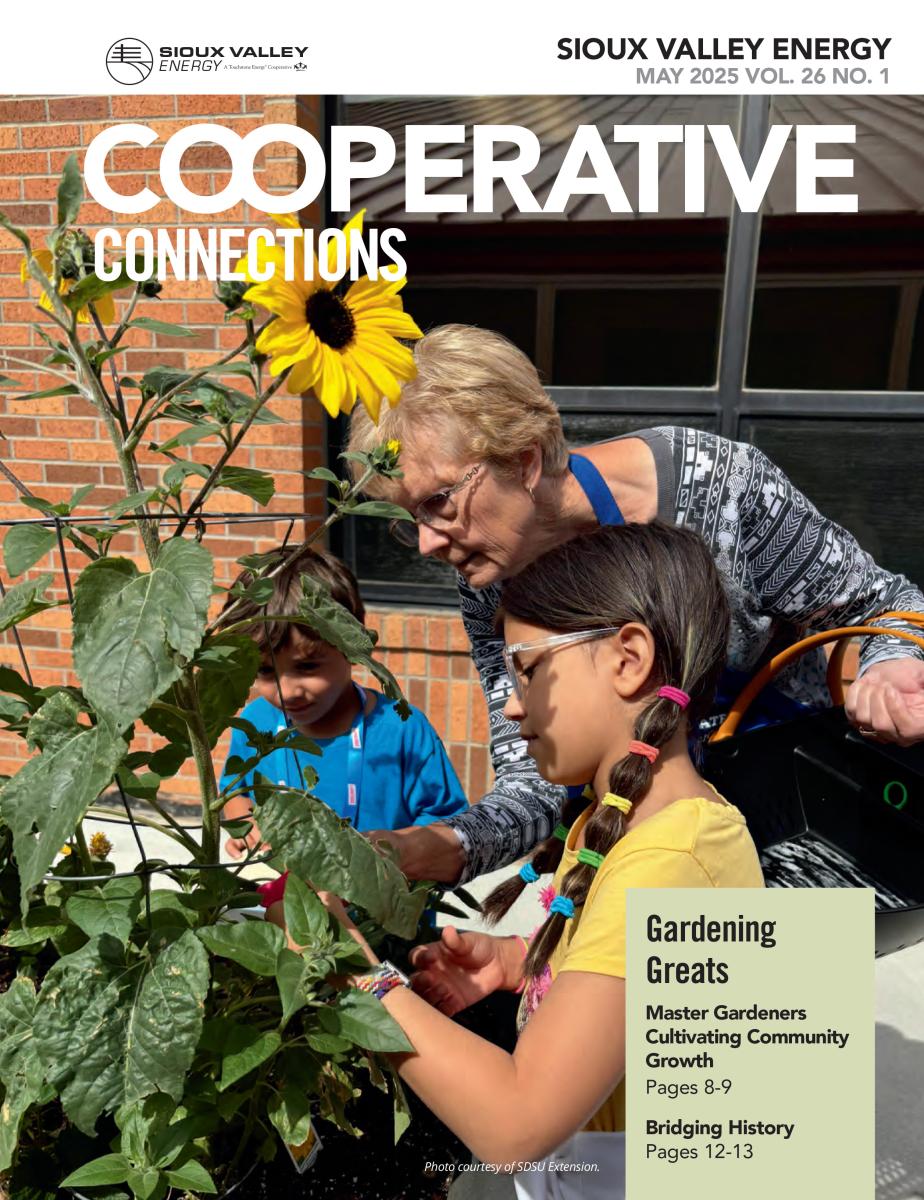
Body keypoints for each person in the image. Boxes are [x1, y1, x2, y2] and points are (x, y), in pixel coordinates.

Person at [345, 324, 924, 886]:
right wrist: (444, 845)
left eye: (439, 503)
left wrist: (888, 664)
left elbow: (884, 604)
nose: (425, 543)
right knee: (673, 974)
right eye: (409, 518)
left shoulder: (721, 488)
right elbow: (532, 778)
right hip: (665, 853)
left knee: (797, 972)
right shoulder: (487, 583)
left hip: (814, 820)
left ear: (522, 460)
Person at [317, 522, 763, 1199]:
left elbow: (518, 1124)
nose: (511, 703)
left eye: (527, 668)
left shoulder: (671, 860)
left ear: (628, 658)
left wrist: (358, 976)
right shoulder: (633, 822)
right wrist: (517, 961)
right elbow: (630, 974)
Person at [218, 544, 468, 904]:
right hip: (286, 918)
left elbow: (450, 826)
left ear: (352, 646)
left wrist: (395, 853)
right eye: (266, 671)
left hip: (385, 924)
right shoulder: (255, 722)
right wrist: (246, 826)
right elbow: (233, 789)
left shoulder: (402, 729)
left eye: (307, 667)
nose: (288, 691)